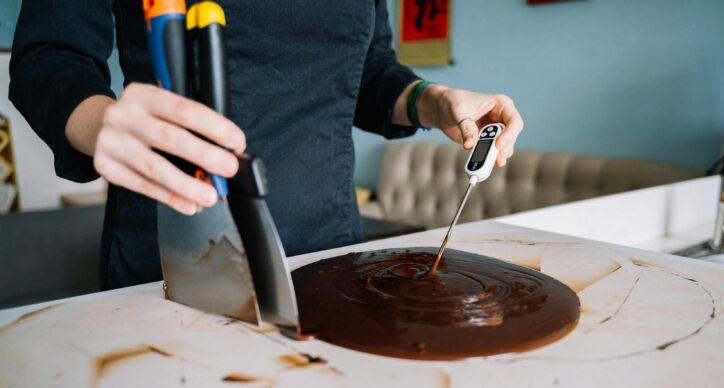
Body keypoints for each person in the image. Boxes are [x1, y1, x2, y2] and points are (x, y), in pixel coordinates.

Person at [9, 1, 523, 290]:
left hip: (332, 246)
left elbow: (366, 73)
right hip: (184, 247)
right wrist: (102, 123)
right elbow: (48, 58)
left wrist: (432, 102)